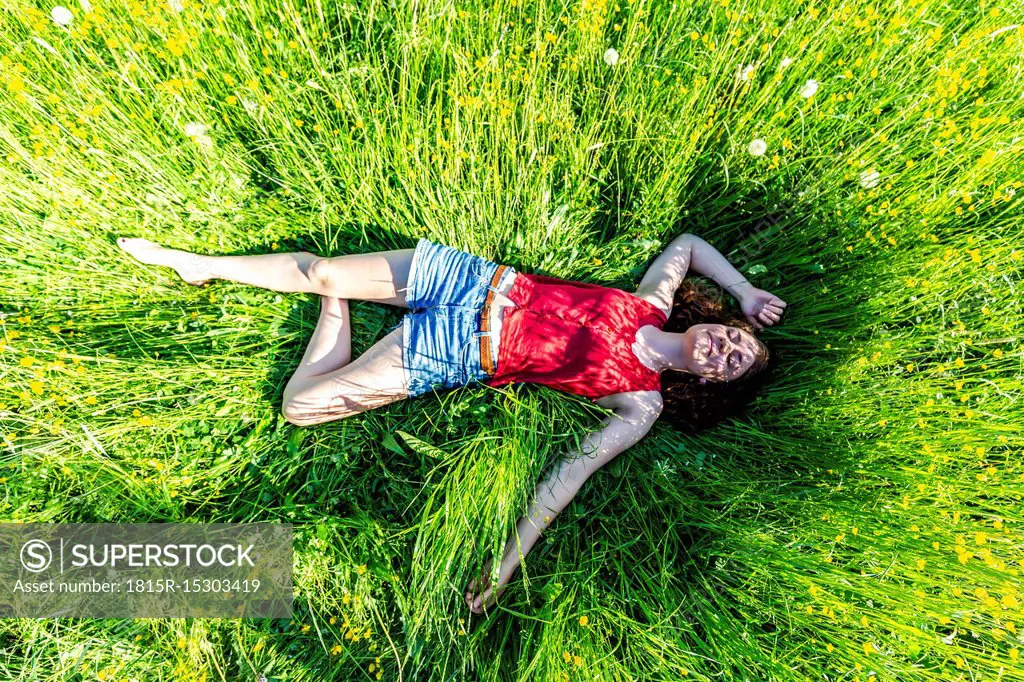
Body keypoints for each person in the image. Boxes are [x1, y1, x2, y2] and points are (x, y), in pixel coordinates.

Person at [115, 233, 787, 614]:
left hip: (457, 353)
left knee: (300, 408)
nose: (724, 350)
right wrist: (748, 292)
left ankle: (337, 308)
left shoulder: (641, 403)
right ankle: (200, 265)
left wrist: (504, 566)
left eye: (731, 364)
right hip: (472, 283)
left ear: (708, 382)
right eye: (733, 338)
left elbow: (566, 480)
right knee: (321, 270)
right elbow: (692, 244)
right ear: (716, 324)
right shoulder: (651, 300)